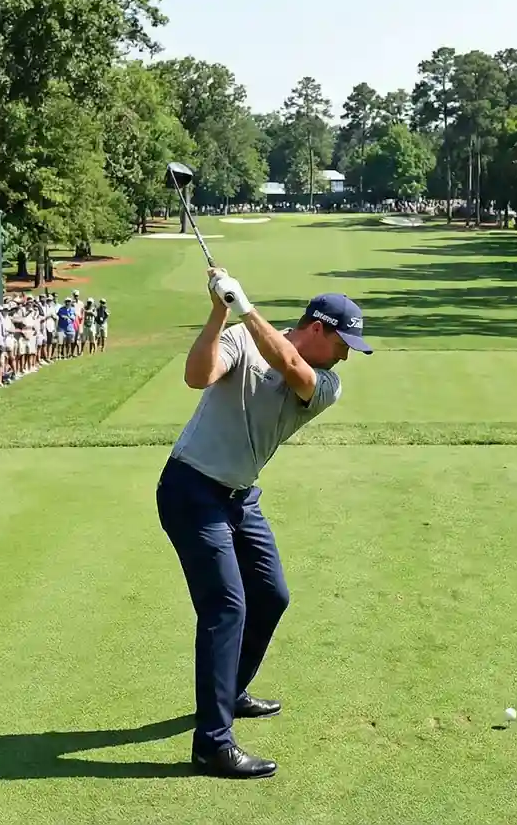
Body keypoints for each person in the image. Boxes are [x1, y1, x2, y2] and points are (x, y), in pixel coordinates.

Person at [158, 268, 369, 779]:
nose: (346, 355)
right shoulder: (239, 338)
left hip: (239, 498)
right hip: (191, 488)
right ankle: (212, 744)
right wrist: (219, 312)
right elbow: (197, 376)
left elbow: (291, 364)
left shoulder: (325, 384)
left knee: (271, 595)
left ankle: (229, 691)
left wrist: (247, 306)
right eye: (343, 343)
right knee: (226, 606)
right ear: (318, 328)